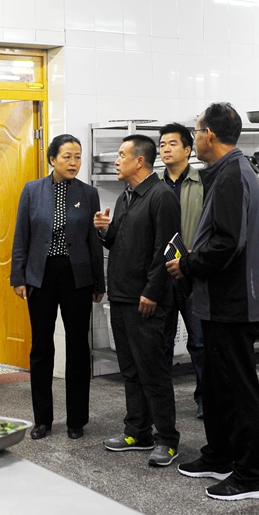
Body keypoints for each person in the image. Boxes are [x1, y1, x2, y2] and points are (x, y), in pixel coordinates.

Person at [166, 102, 259, 501]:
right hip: (216, 300)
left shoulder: (232, 175)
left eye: (195, 132)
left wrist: (188, 264)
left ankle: (251, 476)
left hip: (234, 301)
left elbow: (227, 243)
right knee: (216, 385)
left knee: (238, 389)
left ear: (209, 134)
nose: (194, 138)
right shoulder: (225, 172)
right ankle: (221, 455)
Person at [95, 134, 181, 467]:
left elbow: (168, 249)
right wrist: (105, 230)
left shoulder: (162, 197)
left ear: (139, 161)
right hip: (121, 296)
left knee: (153, 372)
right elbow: (117, 242)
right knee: (130, 370)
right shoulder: (126, 197)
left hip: (146, 299)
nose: (116, 160)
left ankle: (168, 440)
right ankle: (137, 431)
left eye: (121, 155)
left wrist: (152, 292)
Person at [11, 134, 104, 440]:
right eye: (67, 156)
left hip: (77, 276)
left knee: (78, 347)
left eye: (77, 156)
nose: (73, 162)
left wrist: (98, 281)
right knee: (41, 347)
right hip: (41, 275)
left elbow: (93, 241)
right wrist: (18, 277)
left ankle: (77, 420)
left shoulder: (88, 193)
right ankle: (42, 420)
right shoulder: (32, 190)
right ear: (52, 159)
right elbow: (22, 236)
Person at [157, 122, 205, 419]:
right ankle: (163, 404)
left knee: (199, 341)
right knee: (161, 343)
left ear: (188, 149)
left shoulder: (204, 182)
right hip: (162, 275)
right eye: (162, 144)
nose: (166, 148)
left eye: (172, 143)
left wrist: (194, 260)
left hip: (194, 273)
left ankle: (205, 399)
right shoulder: (153, 184)